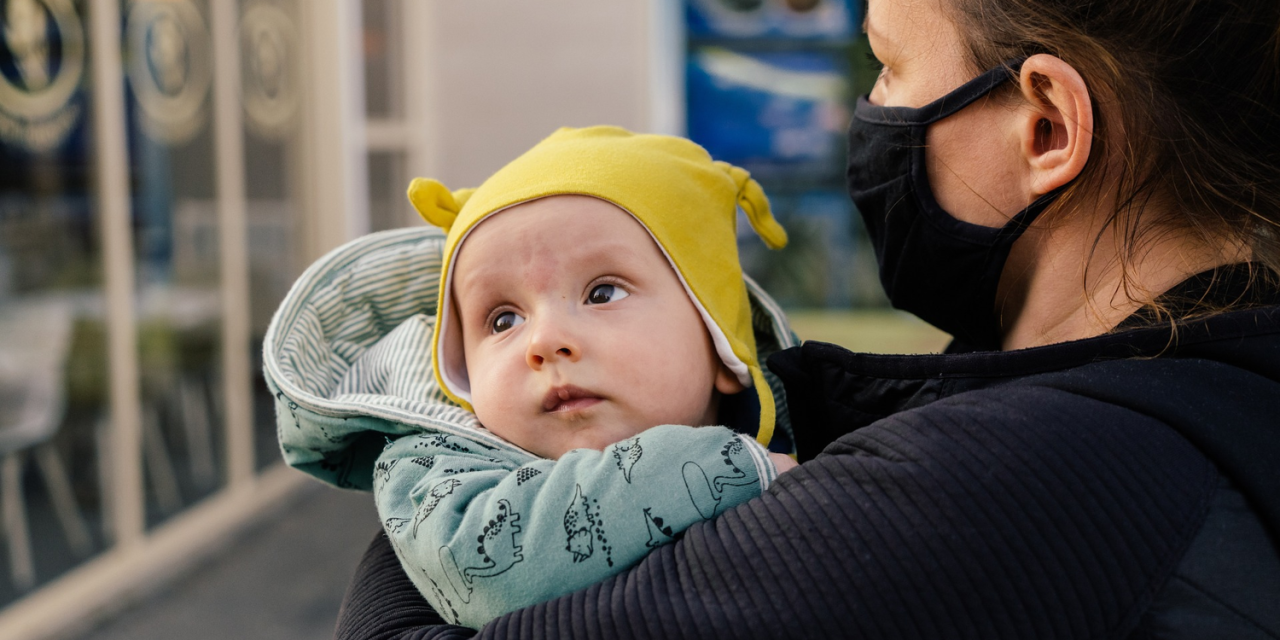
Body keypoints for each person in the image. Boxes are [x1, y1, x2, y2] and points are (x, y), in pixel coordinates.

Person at [326, 0, 1280, 637]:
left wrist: (439, 451)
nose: (865, 112)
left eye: (889, 66)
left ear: (1045, 128)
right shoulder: (1163, 380)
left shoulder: (1032, 479)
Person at [266, 126, 799, 629]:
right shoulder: (433, 469)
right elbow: (485, 566)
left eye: (602, 293)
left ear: (720, 347)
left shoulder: (823, 428)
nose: (544, 342)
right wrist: (728, 466)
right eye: (503, 320)